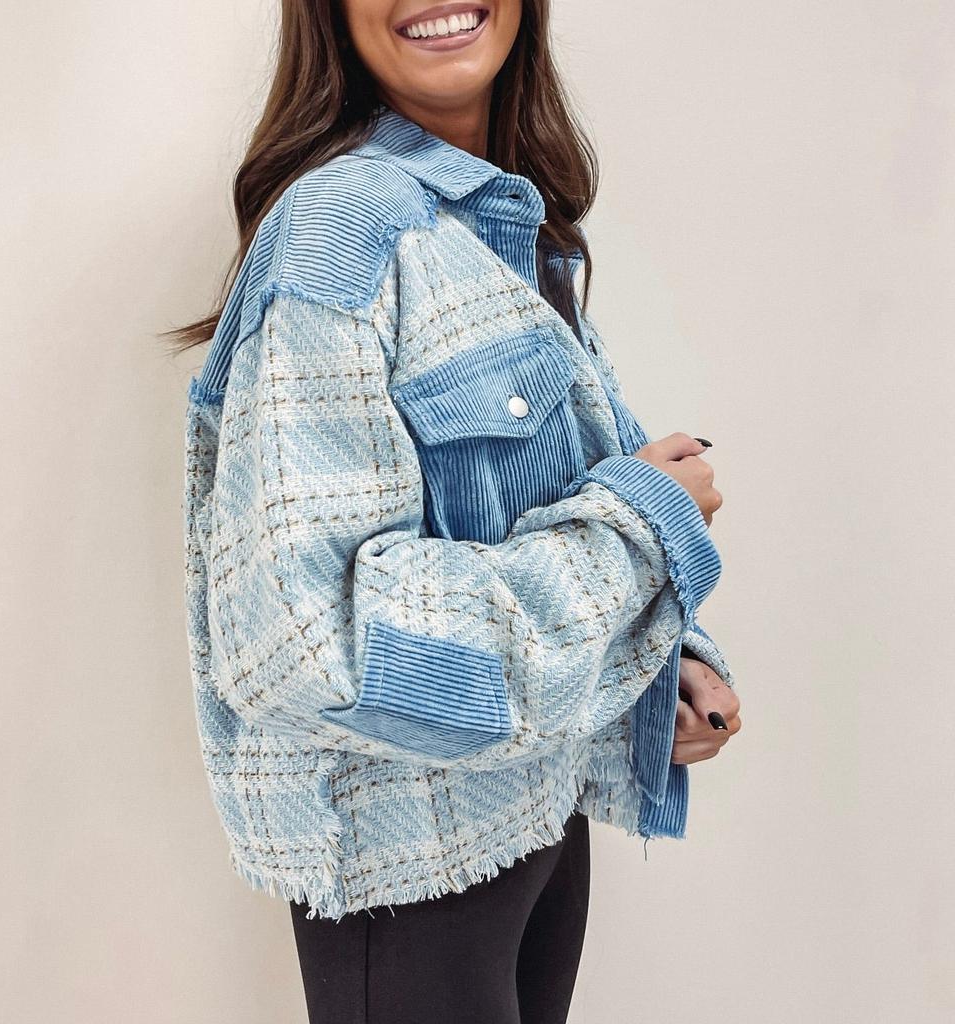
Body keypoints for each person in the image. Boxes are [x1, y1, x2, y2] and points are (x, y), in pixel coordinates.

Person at [165, 2, 742, 1021]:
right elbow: (305, 642)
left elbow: (520, 508)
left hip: (536, 818)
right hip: (414, 878)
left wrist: (655, 656)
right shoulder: (342, 226)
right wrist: (641, 532)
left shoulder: (497, 219)